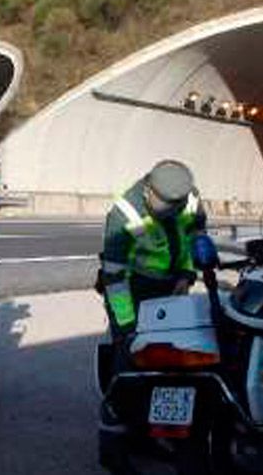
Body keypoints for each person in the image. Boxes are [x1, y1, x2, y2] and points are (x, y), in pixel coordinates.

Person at [96, 159, 206, 472]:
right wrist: (128, 327)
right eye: (162, 207)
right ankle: (112, 446)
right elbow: (114, 279)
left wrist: (187, 275)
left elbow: (196, 236)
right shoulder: (124, 214)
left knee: (171, 365)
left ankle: (149, 436)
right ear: (148, 191)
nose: (169, 212)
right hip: (132, 290)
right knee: (128, 369)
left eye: (174, 207)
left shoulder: (190, 198)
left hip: (173, 287)